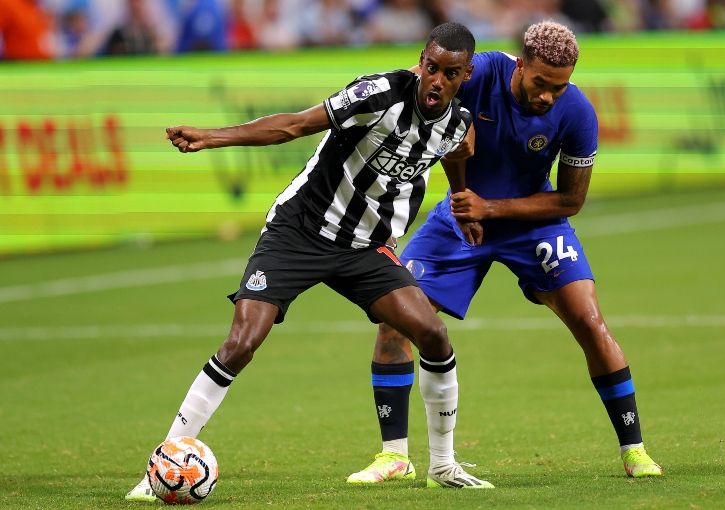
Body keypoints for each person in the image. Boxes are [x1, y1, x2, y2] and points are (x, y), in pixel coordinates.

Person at [125, 22, 494, 502]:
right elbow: (295, 125)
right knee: (241, 341)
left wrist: (463, 199)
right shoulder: (377, 94)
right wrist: (213, 138)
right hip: (299, 231)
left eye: (449, 73)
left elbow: (456, 152)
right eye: (430, 68)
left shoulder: (457, 122)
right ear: (421, 60)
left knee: (433, 334)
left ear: (465, 75)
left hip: (365, 246)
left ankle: (442, 466)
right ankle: (162, 468)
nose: (436, 81)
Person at [347, 20, 663, 485]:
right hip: (458, 217)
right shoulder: (481, 74)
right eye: (540, 83)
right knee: (395, 320)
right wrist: (464, 205)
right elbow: (430, 94)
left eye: (559, 87)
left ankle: (634, 449)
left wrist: (490, 208)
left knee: (590, 322)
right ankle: (394, 456)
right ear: (520, 64)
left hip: (532, 222)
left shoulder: (577, 114)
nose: (547, 96)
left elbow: (570, 201)